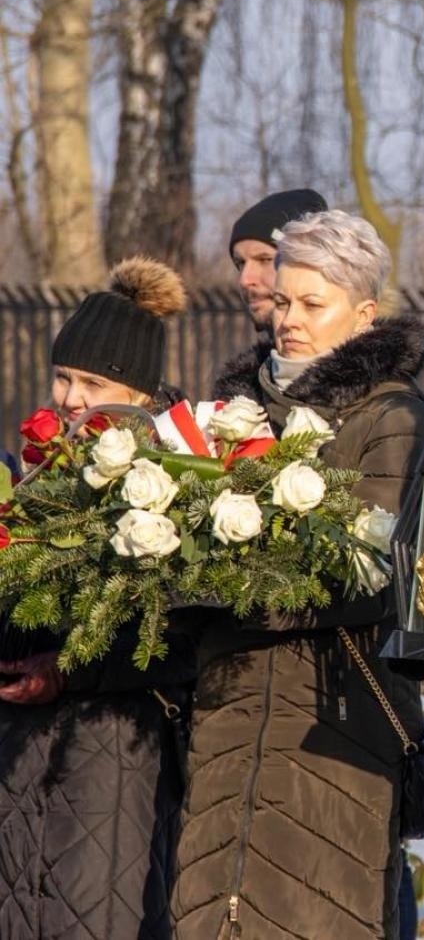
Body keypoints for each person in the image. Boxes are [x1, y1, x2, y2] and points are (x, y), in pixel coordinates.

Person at [171, 211, 424, 939]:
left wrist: (231, 591)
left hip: (336, 725)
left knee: (319, 912)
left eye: (312, 304)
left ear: (363, 312)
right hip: (227, 715)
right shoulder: (234, 410)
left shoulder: (392, 416)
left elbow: (378, 571)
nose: (289, 319)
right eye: (283, 301)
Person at [0, 258, 193, 939]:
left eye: (93, 381)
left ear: (137, 391)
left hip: (117, 756)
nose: (72, 396)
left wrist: (69, 666)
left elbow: (166, 635)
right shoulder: (39, 469)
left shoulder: (176, 480)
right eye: (64, 377)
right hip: (27, 752)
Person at [229, 188, 327, 334]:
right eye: (241, 263)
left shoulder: (367, 357)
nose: (245, 280)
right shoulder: (263, 357)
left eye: (265, 259)